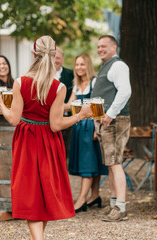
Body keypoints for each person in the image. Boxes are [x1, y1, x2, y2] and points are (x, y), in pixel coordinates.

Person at [0, 35, 92, 239]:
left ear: (33, 54)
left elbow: (13, 119)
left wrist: (0, 104)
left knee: (30, 192)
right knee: (44, 192)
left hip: (26, 140)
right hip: (48, 142)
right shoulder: (59, 87)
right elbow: (56, 125)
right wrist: (80, 116)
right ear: (54, 56)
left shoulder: (20, 82)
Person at [91, 35, 132, 222]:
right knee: (110, 163)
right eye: (98, 46)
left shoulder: (118, 66)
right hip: (105, 122)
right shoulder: (106, 66)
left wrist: (110, 114)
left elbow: (125, 91)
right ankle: (114, 203)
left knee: (115, 163)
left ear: (114, 47)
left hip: (114, 121)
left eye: (104, 46)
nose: (100, 49)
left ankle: (121, 208)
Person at [65, 53, 108, 213]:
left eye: (82, 64)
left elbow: (99, 106)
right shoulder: (76, 85)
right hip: (79, 126)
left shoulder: (95, 82)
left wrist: (97, 127)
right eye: (77, 65)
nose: (79, 68)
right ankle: (95, 195)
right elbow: (69, 104)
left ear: (88, 65)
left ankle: (81, 200)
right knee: (93, 162)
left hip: (90, 126)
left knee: (88, 164)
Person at [54, 47, 74, 160]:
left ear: (62, 59)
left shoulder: (71, 74)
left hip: (67, 119)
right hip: (49, 121)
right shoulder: (44, 76)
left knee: (66, 152)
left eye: (57, 58)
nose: (55, 60)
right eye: (52, 57)